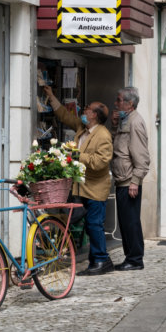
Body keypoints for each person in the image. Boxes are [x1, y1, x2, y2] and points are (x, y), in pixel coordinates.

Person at [44, 85, 114, 276]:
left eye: (87, 109)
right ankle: (97, 260)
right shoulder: (83, 129)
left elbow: (100, 162)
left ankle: (101, 260)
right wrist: (51, 96)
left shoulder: (103, 136)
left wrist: (76, 155)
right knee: (86, 224)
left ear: (95, 115)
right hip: (81, 187)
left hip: (95, 189)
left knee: (94, 224)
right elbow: (65, 116)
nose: (84, 111)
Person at [110, 87, 150, 271]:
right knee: (126, 221)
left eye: (119, 100)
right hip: (122, 178)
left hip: (129, 180)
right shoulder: (125, 120)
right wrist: (114, 124)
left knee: (131, 221)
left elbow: (141, 156)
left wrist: (135, 181)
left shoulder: (135, 122)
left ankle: (135, 259)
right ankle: (131, 257)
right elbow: (118, 145)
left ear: (129, 104)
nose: (116, 103)